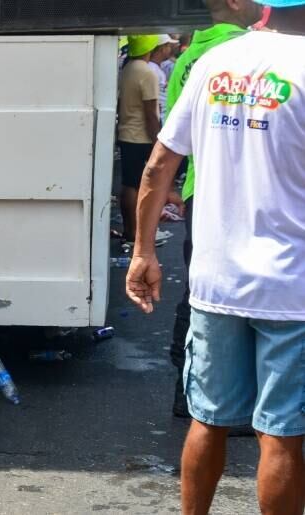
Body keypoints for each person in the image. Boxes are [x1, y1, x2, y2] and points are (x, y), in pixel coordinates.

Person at [127, 2, 305, 513]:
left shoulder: (214, 63)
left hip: (215, 281)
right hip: (290, 288)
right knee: (282, 435)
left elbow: (159, 165)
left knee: (209, 420)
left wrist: (143, 252)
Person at [165, 0, 262, 419]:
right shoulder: (250, 53)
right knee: (250, 294)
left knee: (199, 288)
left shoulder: (189, 58)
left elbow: (172, 135)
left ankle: (185, 388)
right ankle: (241, 401)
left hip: (197, 189)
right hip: (248, 189)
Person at [117, 35, 162, 245]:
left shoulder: (127, 70)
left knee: (129, 184)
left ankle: (130, 230)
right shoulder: (147, 73)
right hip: (141, 137)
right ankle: (140, 234)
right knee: (143, 187)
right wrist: (158, 142)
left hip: (127, 134)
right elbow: (151, 113)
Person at [147, 34, 178, 122]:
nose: (170, 48)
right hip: (159, 119)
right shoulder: (152, 69)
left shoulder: (156, 68)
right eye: (168, 45)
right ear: (162, 48)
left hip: (163, 117)